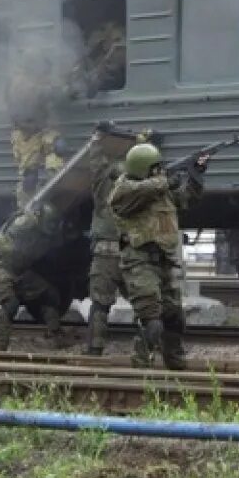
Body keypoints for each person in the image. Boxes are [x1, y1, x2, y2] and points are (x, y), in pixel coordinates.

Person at [108, 143, 206, 370]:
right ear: (143, 168)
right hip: (139, 261)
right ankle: (140, 364)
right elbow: (129, 196)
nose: (160, 171)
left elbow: (186, 199)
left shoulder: (160, 191)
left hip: (164, 259)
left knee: (174, 318)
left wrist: (196, 176)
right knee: (152, 321)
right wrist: (166, 181)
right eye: (156, 168)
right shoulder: (124, 190)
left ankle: (175, 363)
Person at [83, 123, 155, 357]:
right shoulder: (139, 190)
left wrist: (95, 142)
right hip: (132, 253)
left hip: (104, 255)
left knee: (100, 305)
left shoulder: (103, 190)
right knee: (145, 308)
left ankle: (95, 350)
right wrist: (144, 142)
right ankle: (144, 352)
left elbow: (96, 167)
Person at [0, 201, 68, 351]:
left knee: (49, 294)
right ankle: (0, 349)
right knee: (9, 304)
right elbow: (19, 222)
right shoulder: (24, 223)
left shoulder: (47, 233)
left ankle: (56, 335)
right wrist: (30, 216)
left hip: (19, 269)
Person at [5, 48, 68, 210]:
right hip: (25, 134)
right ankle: (25, 209)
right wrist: (56, 91)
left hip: (44, 130)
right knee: (29, 177)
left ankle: (54, 179)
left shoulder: (41, 80)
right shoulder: (19, 82)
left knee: (57, 148)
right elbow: (35, 94)